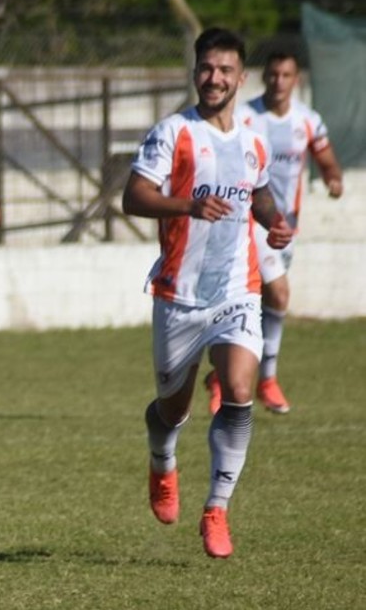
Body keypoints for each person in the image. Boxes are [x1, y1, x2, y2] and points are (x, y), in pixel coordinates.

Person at [122, 28, 294, 559]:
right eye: (206, 68)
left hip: (237, 290)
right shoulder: (174, 132)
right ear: (195, 72)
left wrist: (274, 222)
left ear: (241, 79)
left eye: (225, 70)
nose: (214, 78)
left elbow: (258, 193)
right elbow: (134, 197)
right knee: (172, 409)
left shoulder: (253, 142)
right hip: (178, 295)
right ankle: (162, 460)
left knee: (239, 389)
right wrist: (187, 206)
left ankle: (217, 509)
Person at [201, 51, 346, 415]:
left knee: (257, 306)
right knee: (279, 293)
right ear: (262, 77)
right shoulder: (245, 117)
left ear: (297, 80)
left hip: (284, 230)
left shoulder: (308, 120)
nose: (279, 82)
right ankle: (266, 380)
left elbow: (327, 161)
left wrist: (333, 179)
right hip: (248, 225)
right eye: (273, 74)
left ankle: (222, 376)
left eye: (286, 75)